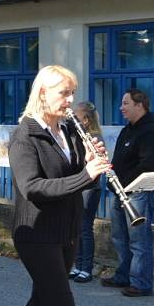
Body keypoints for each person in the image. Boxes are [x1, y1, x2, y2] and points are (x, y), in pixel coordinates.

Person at [2, 65, 115, 306]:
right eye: (64, 93)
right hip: (35, 234)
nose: (70, 101)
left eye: (71, 93)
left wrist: (91, 160)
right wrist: (86, 175)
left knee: (43, 301)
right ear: (42, 95)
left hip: (65, 231)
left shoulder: (66, 128)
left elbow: (74, 176)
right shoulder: (25, 136)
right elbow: (32, 188)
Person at [101, 89, 154, 297]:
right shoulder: (128, 129)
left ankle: (141, 283)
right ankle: (124, 275)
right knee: (120, 237)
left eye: (125, 103)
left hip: (138, 193)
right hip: (121, 192)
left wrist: (122, 183)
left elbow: (149, 165)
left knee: (139, 240)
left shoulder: (151, 131)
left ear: (140, 105)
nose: (121, 108)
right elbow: (119, 160)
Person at [68, 101, 103, 284]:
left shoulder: (94, 137)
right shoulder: (74, 135)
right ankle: (77, 264)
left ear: (86, 120)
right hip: (78, 186)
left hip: (90, 188)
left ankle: (86, 268)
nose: (71, 118)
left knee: (84, 228)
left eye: (76, 115)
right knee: (76, 228)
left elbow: (93, 165)